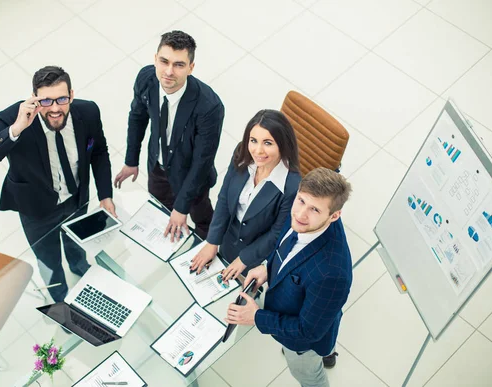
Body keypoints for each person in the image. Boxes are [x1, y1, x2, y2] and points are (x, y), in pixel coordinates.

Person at [0, 66, 115, 303]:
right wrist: (15, 130)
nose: (55, 108)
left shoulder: (87, 112)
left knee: (76, 243)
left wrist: (105, 195)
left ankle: (79, 266)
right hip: (36, 210)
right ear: (34, 98)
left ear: (72, 95)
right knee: (48, 260)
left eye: (62, 99)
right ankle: (59, 297)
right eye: (46, 101)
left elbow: (98, 152)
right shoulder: (12, 119)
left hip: (77, 199)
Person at [225, 168, 353, 387]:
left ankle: (324, 355)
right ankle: (328, 352)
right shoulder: (299, 208)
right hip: (307, 303)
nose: (301, 214)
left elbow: (307, 331)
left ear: (334, 216)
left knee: (309, 376)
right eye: (301, 201)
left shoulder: (332, 275)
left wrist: (256, 317)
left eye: (314, 209)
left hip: (303, 345)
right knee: (324, 318)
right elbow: (287, 244)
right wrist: (267, 267)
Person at [114, 30, 224, 240]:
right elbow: (137, 118)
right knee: (159, 213)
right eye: (164, 61)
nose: (169, 71)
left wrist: (182, 208)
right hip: (158, 166)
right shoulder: (146, 79)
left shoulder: (209, 107)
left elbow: (202, 161)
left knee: (202, 218)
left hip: (192, 175)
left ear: (191, 68)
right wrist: (131, 160)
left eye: (179, 65)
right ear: (155, 59)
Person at [190, 109, 301, 280]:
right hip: (228, 239)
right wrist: (212, 241)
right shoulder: (242, 153)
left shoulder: (292, 186)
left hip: (256, 254)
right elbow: (225, 198)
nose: (257, 151)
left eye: (268, 143)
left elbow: (276, 233)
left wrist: (244, 259)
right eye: (253, 141)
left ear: (283, 144)